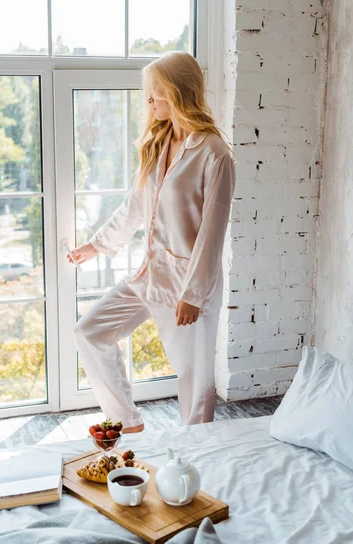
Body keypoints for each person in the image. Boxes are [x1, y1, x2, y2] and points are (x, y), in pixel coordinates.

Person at [68, 51, 236, 434]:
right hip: (149, 275)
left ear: (178, 93)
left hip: (186, 286)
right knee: (90, 332)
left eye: (156, 93)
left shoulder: (214, 154)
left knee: (194, 384)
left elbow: (213, 233)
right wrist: (95, 246)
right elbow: (133, 207)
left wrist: (193, 293)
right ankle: (127, 422)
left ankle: (201, 453)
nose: (150, 101)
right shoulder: (157, 145)